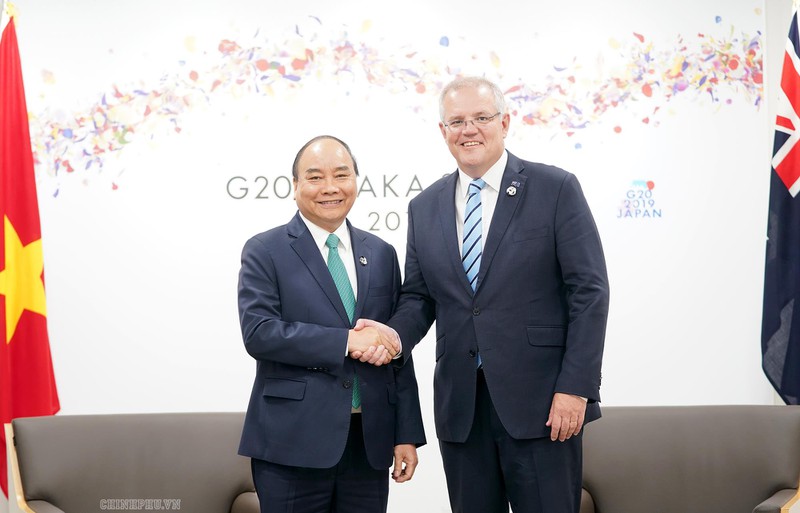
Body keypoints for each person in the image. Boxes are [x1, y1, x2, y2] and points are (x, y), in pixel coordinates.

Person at [365, 76, 609, 513]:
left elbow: (589, 292)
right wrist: (393, 337)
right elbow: (420, 297)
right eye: (457, 121)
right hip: (462, 408)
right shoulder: (425, 206)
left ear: (505, 123)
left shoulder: (555, 188)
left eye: (481, 117)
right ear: (443, 131)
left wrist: (576, 388)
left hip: (544, 406)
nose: (469, 130)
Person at [237, 135, 426, 513]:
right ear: (294, 186)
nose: (330, 187)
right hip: (293, 441)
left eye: (341, 175)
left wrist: (406, 432)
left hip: (368, 443)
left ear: (355, 180)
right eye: (315, 177)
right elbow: (259, 333)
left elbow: (394, 348)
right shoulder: (265, 250)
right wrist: (346, 342)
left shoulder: (381, 253)